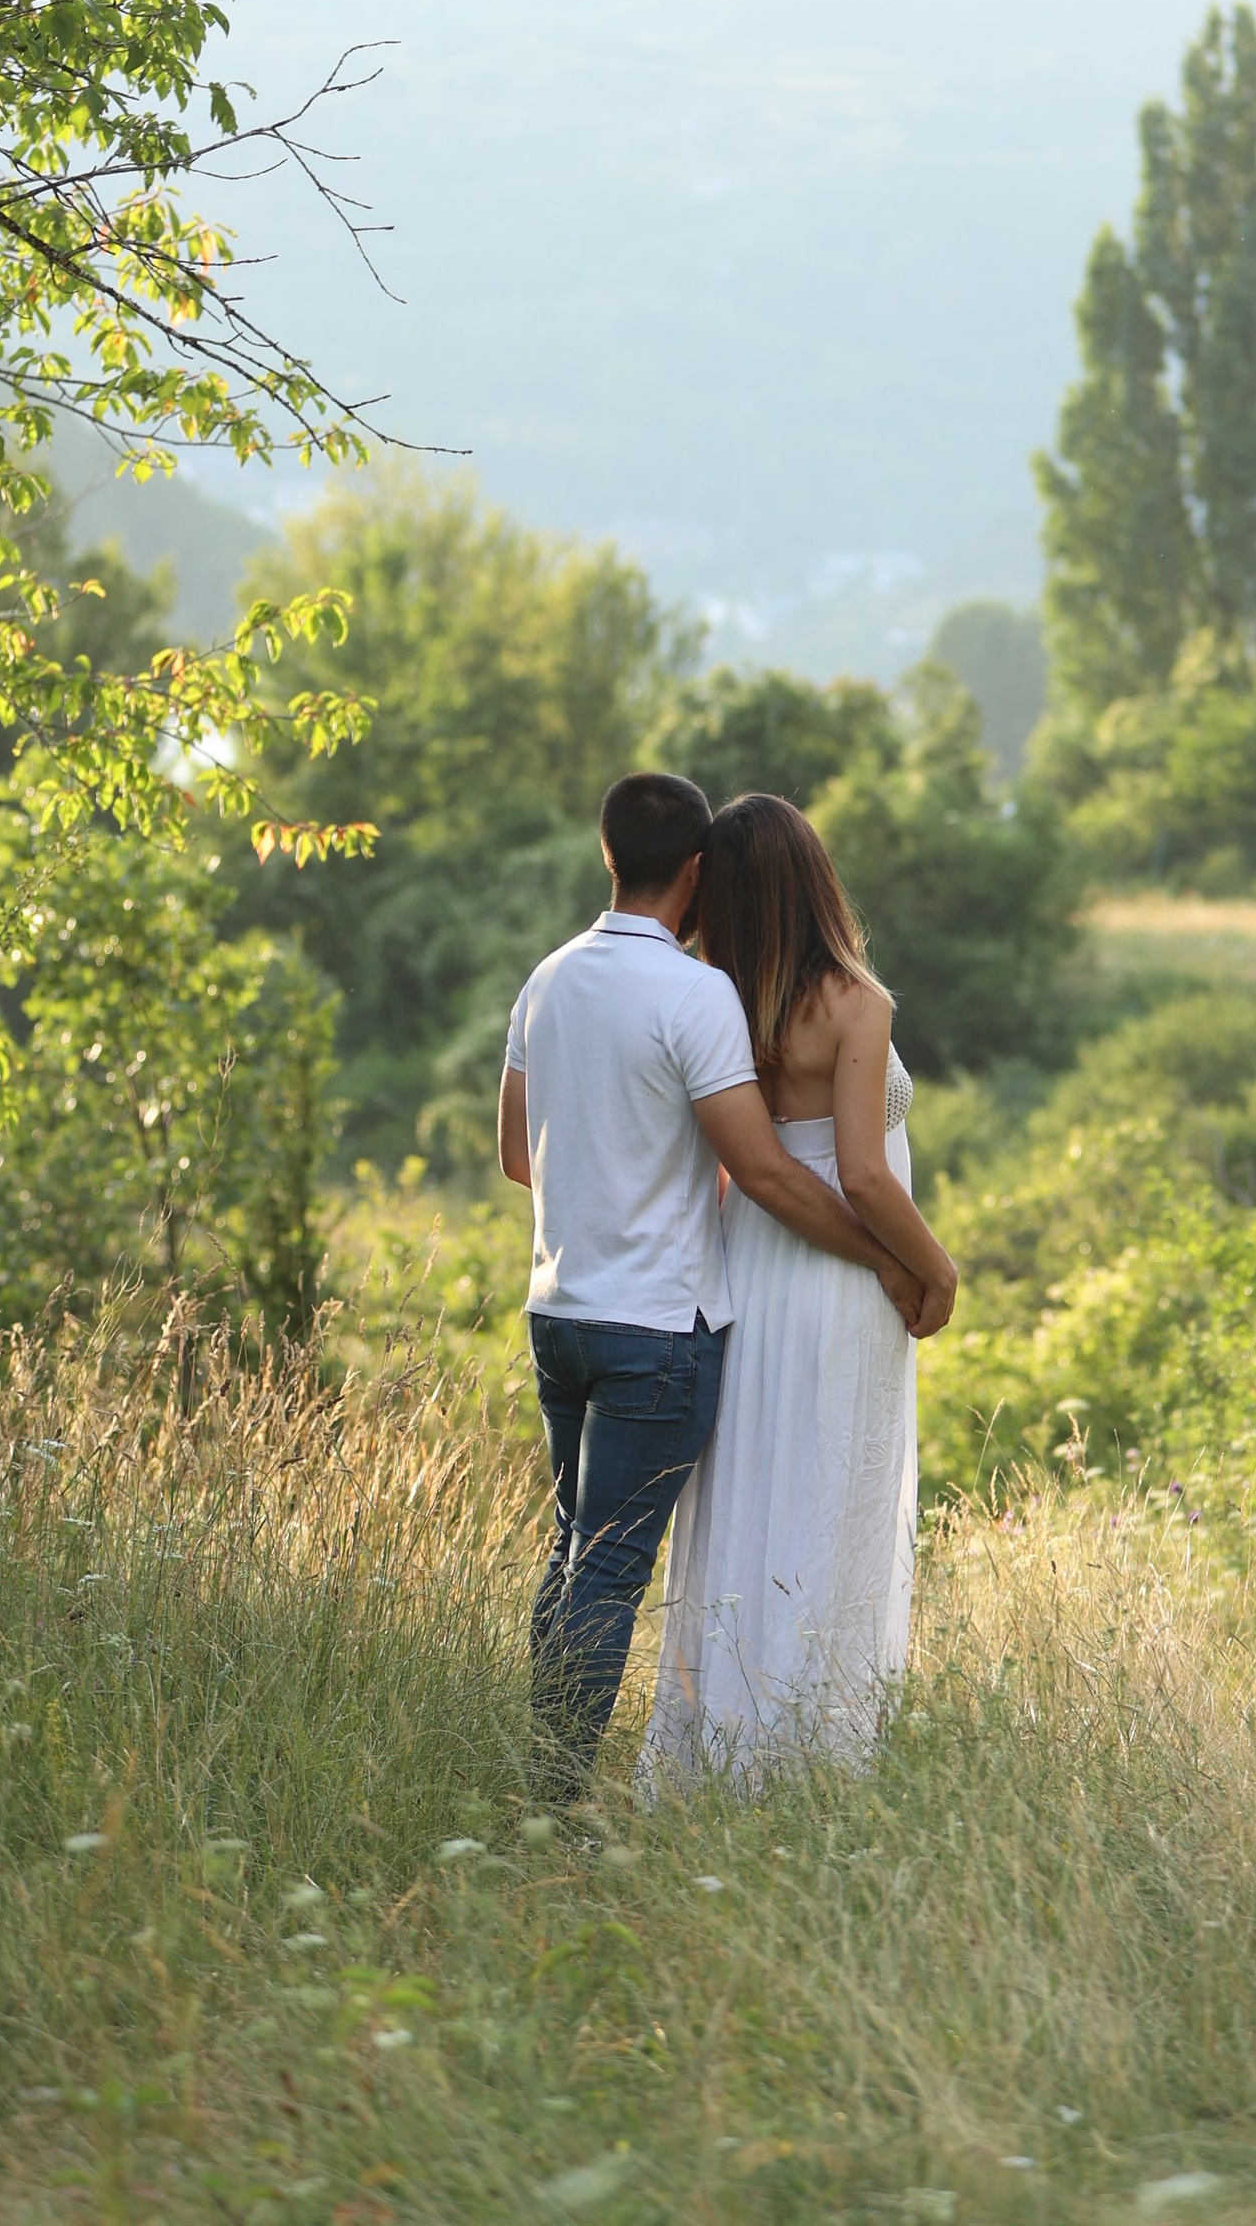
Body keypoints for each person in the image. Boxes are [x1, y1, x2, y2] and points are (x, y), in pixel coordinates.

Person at [498, 766, 935, 1787]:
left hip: (559, 1305)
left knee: (575, 1552)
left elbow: (521, 1155)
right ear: (692, 873)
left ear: (609, 854)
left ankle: (551, 1777)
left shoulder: (549, 976)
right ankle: (555, 1799)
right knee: (613, 1567)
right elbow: (771, 1169)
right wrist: (904, 1262)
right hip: (659, 1318)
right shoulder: (701, 997)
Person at [645, 791, 959, 1782]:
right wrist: (933, 1266)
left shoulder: (711, 1000)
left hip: (749, 1264)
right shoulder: (854, 1004)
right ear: (814, 878)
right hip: (835, 1278)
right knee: (833, 1493)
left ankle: (722, 1748)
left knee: (746, 1493)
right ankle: (810, 1753)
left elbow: (737, 1162)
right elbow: (864, 1173)